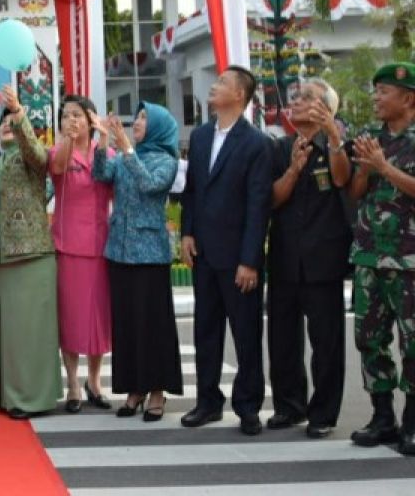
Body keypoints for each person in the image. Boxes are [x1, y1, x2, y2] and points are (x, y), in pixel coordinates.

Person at [180, 65, 273, 435]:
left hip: (238, 258)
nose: (214, 87)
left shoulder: (256, 144)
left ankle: (248, 406)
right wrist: (187, 233)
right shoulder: (201, 137)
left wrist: (250, 260)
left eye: (222, 83)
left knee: (246, 333)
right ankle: (207, 402)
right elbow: (191, 191)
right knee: (206, 330)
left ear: (239, 95)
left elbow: (258, 205)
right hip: (204, 253)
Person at [266, 79, 353, 439]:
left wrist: (332, 135)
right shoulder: (281, 148)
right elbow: (272, 200)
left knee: (326, 343)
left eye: (306, 99)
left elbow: (342, 179)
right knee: (282, 339)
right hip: (286, 258)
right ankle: (289, 406)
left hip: (323, 260)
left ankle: (324, 413)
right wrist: (293, 168)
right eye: (296, 98)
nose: (296, 103)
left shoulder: (337, 145)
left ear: (326, 109)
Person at [93, 103, 183, 421]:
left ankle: (157, 390)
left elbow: (150, 185)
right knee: (128, 323)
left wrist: (127, 149)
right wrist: (103, 140)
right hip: (119, 250)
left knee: (153, 324)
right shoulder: (124, 156)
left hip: (150, 253)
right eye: (138, 116)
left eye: (144, 117)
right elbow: (101, 174)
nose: (138, 121)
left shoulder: (166, 160)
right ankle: (134, 388)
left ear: (158, 125)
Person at [0, 85, 61, 420]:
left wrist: (19, 114)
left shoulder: (31, 159)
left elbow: (39, 155)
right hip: (2, 257)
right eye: (2, 121)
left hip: (30, 253)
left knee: (31, 331)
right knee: (10, 333)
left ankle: (33, 399)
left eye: (9, 120)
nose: (5, 124)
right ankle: (10, 396)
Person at [347, 63, 415, 455]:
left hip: (409, 259)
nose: (376, 97)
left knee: (413, 343)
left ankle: (412, 421)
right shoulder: (369, 137)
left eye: (383, 91)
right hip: (370, 254)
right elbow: (356, 192)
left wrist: (384, 167)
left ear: (407, 98)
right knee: (369, 338)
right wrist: (364, 169)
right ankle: (382, 417)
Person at [49, 95, 114, 412]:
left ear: (91, 119)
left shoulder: (105, 153)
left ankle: (95, 379)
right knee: (72, 316)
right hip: (69, 245)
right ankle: (72, 382)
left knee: (98, 318)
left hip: (101, 244)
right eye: (66, 115)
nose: (71, 120)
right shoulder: (60, 151)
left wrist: (103, 139)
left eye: (77, 115)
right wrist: (66, 138)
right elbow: (57, 167)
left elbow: (114, 185)